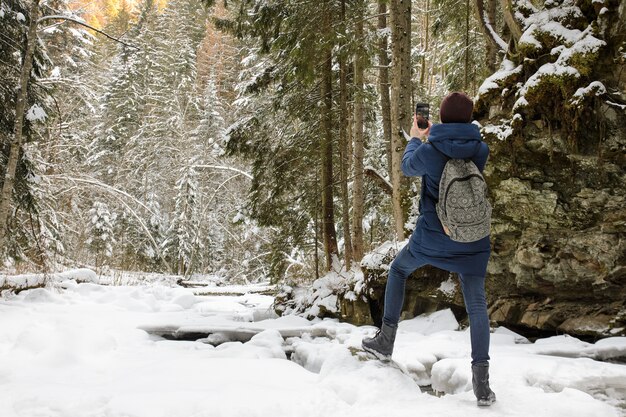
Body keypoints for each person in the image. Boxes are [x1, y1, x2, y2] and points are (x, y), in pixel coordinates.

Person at [361, 92, 496, 407]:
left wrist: (415, 137)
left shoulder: (431, 149)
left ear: (443, 118)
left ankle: (385, 341)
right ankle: (483, 386)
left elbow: (408, 167)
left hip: (433, 238)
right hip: (473, 241)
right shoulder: (481, 149)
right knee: (477, 306)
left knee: (398, 269)